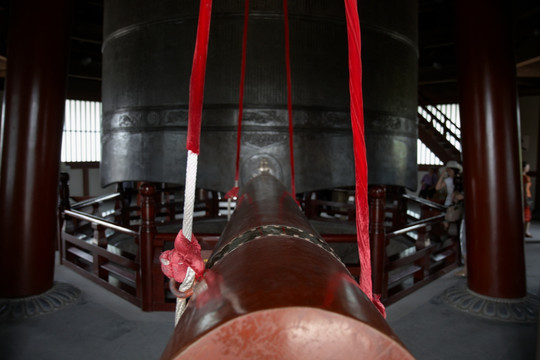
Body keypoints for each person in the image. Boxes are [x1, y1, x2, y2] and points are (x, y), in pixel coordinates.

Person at [523, 161, 533, 238]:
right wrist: (526, 200)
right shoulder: (526, 177)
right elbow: (525, 189)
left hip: (522, 196)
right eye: (528, 167)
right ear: (524, 168)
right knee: (527, 215)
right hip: (526, 196)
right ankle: (526, 231)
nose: (528, 168)